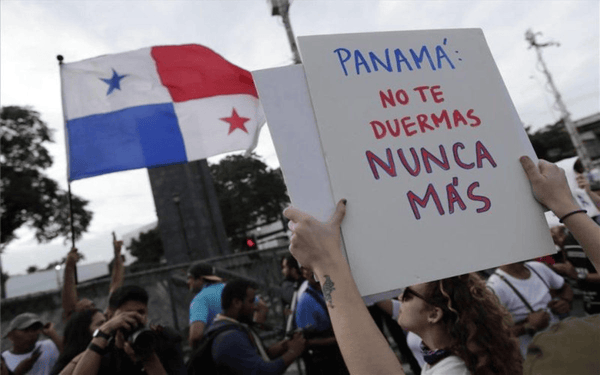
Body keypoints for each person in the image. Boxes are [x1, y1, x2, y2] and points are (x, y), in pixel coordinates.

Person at [68, 285, 185, 375]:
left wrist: (147, 355)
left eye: (141, 312)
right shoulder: (103, 349)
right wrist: (104, 331)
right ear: (110, 316)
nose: (135, 318)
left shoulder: (165, 339)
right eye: (127, 314)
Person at [207, 279, 306, 375]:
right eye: (251, 301)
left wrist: (284, 346)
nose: (255, 307)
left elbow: (258, 355)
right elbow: (263, 371)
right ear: (236, 302)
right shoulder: (229, 337)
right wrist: (293, 352)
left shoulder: (233, 326)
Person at [486, 260, 573, 357]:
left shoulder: (537, 267)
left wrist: (565, 301)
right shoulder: (494, 287)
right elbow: (493, 336)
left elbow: (565, 288)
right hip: (534, 358)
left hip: (562, 344)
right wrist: (527, 326)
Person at [295, 267, 349, 375]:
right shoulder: (305, 300)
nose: (312, 272)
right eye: (307, 269)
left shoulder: (331, 290)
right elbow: (306, 341)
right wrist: (337, 339)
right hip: (325, 360)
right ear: (304, 274)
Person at [62, 239, 125, 322]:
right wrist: (69, 266)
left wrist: (117, 254)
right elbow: (69, 300)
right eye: (88, 307)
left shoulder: (104, 322)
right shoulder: (103, 324)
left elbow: (116, 285)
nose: (90, 304)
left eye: (92, 305)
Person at [50, 309, 106, 375]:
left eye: (107, 322)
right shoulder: (68, 366)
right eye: (100, 324)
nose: (106, 327)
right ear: (84, 332)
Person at [187, 263, 226, 349]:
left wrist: (195, 355)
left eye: (190, 278)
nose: (188, 282)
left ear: (201, 279)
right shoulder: (230, 288)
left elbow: (196, 336)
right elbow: (261, 306)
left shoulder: (200, 299)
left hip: (219, 350)